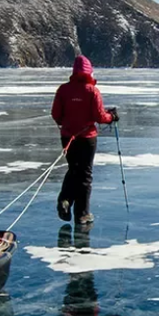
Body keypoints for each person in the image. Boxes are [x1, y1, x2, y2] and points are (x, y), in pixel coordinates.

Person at [51, 55, 116, 227]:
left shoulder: (63, 90)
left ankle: (65, 200)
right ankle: (82, 213)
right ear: (89, 71)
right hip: (87, 138)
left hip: (67, 137)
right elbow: (99, 116)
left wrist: (66, 124)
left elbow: (56, 114)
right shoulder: (91, 91)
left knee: (73, 170)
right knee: (85, 175)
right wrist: (112, 117)